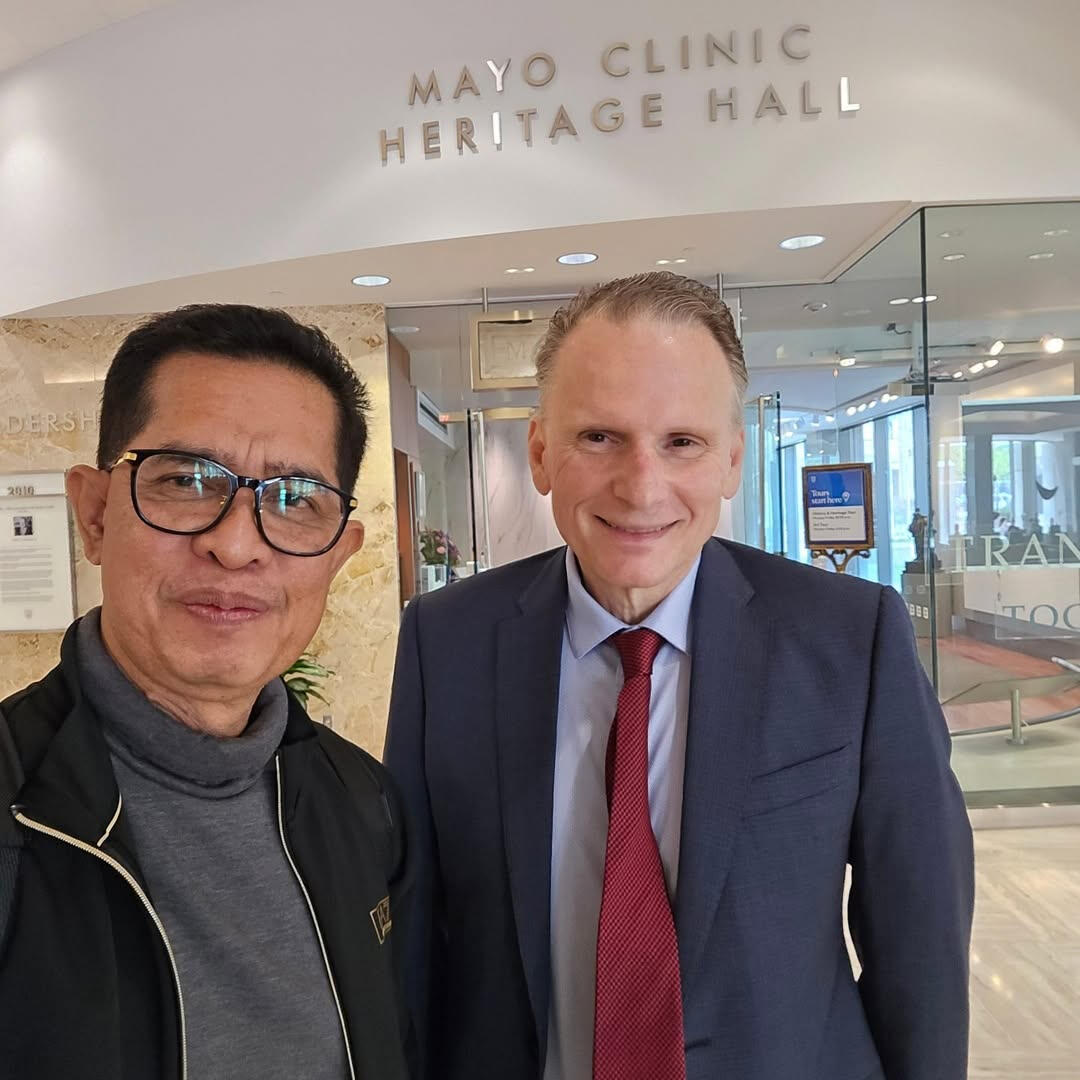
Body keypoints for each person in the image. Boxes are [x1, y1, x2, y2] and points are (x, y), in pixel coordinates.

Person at [384, 272, 974, 1080]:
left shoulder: (850, 638)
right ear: (541, 452)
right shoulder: (443, 641)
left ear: (732, 459)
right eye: (599, 437)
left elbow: (921, 939)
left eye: (682, 442)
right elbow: (416, 939)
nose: (641, 487)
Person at [0, 305, 414, 1080]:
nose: (235, 544)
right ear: (95, 514)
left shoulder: (364, 804)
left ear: (338, 555)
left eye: (295, 498)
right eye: (186, 480)